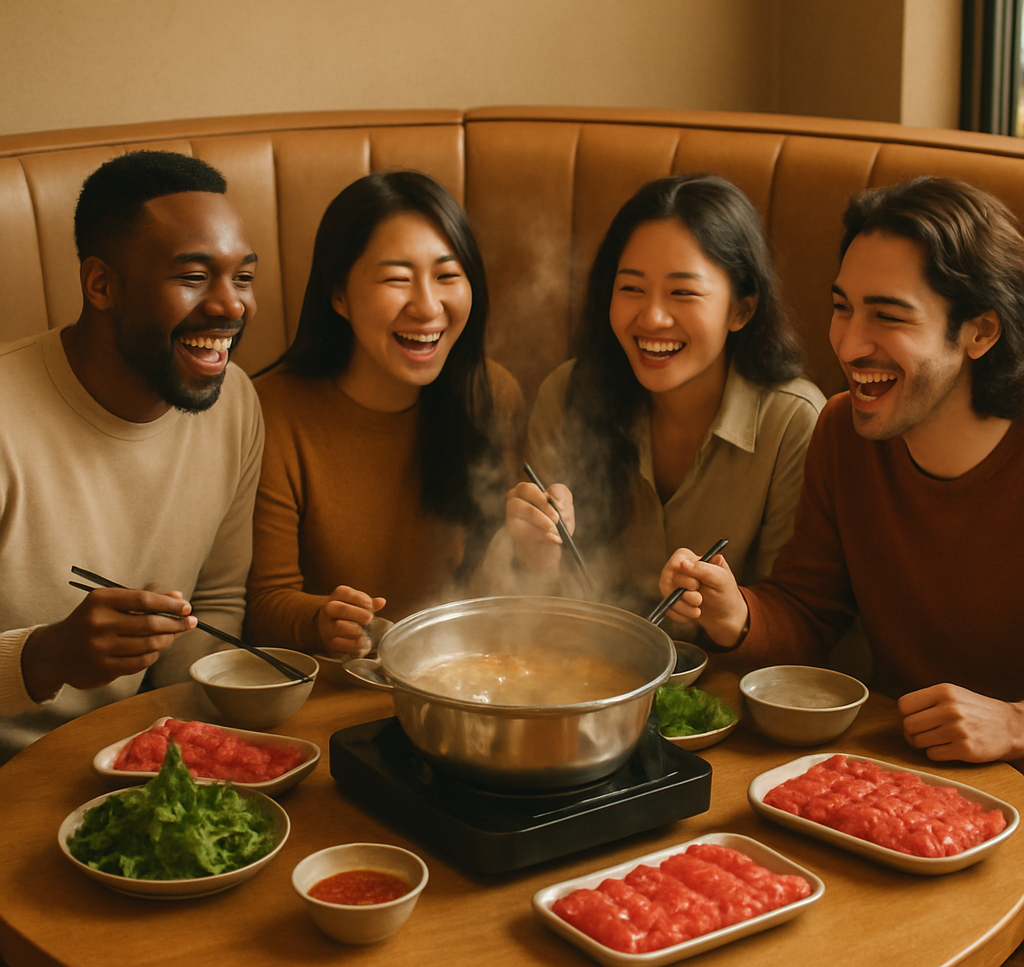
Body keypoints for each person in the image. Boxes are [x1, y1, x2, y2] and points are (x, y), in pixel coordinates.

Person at [661, 176, 1024, 766]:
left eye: (888, 316)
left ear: (979, 331)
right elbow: (810, 608)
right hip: (897, 774)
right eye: (842, 307)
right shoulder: (843, 431)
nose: (849, 344)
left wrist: (1012, 724)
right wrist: (736, 612)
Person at [0, 150, 264, 763]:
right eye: (193, 276)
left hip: (135, 757)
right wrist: (47, 656)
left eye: (243, 277)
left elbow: (218, 601)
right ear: (102, 284)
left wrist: (167, 751)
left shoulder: (235, 404)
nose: (231, 306)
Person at [505, 174, 824, 618]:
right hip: (586, 670)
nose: (652, 317)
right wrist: (534, 556)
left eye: (683, 292)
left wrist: (728, 606)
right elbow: (532, 614)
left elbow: (794, 613)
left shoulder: (793, 421)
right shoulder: (568, 394)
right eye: (631, 288)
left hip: (724, 681)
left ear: (741, 309)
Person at [244, 170, 524, 658]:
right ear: (339, 296)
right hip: (330, 690)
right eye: (397, 279)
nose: (427, 305)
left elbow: (499, 586)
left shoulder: (491, 395)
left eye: (447, 275)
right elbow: (263, 603)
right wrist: (321, 620)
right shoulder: (272, 412)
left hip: (466, 673)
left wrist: (536, 543)